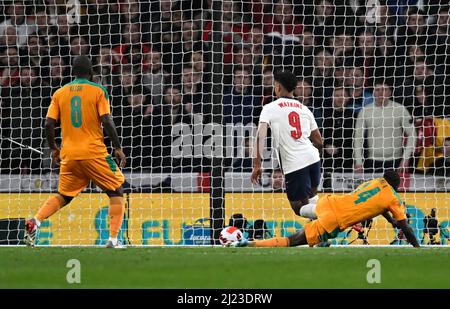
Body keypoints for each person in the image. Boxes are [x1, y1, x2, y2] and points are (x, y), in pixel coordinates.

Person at [24, 56, 127, 248]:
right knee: (117, 190)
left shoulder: (60, 93)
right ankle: (113, 239)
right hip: (95, 154)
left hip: (69, 155)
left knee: (64, 195)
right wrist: (117, 147)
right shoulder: (98, 91)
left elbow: (48, 123)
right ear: (91, 73)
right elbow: (107, 120)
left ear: (73, 73)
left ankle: (36, 221)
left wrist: (54, 148)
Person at [232, 171, 420, 248]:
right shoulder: (393, 198)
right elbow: (406, 227)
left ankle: (295, 189)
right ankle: (249, 244)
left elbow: (378, 205)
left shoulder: (374, 182)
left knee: (302, 209)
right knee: (293, 240)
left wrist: (389, 219)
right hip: (335, 219)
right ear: (397, 185)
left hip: (329, 202)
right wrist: (417, 247)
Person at [252, 71, 323, 219]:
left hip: (294, 163)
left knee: (298, 208)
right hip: (313, 159)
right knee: (311, 199)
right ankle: (321, 237)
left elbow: (260, 136)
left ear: (278, 87)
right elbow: (318, 141)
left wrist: (257, 165)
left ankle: (332, 213)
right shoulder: (304, 108)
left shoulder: (270, 107)